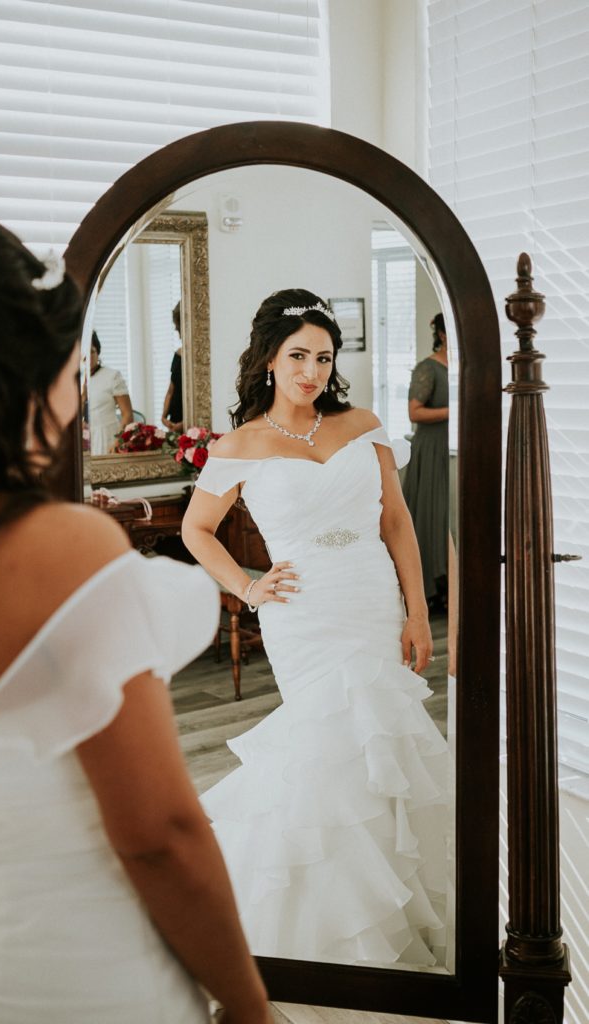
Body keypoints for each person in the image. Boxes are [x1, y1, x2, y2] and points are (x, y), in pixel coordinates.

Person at [0, 203, 270, 1024]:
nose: (74, 401)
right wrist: (249, 1008)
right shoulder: (60, 550)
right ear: (12, 383)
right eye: (68, 375)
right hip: (78, 972)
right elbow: (160, 836)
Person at [182, 288, 450, 968]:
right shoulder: (240, 444)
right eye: (297, 356)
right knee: (326, 746)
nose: (311, 372)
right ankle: (315, 920)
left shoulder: (362, 424)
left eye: (323, 358)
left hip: (370, 598)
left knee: (380, 740)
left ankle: (398, 898)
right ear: (269, 361)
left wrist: (418, 611)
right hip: (301, 613)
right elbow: (196, 529)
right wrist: (246, 586)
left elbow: (395, 521)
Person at [401, 313, 450, 611]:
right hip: (431, 449)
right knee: (432, 515)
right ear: (443, 335)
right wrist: (452, 410)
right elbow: (414, 413)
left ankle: (448, 580)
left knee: (450, 518)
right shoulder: (427, 368)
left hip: (454, 448)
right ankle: (429, 585)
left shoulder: (464, 366)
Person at [87, 331, 134, 454]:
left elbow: (127, 414)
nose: (88, 356)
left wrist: (118, 440)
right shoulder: (73, 380)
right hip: (83, 442)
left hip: (107, 438)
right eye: (84, 353)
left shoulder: (112, 376)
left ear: (98, 352)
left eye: (92, 351)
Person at [161, 301, 184, 431]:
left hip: (187, 420)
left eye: (177, 325)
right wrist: (164, 416)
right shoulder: (177, 355)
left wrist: (186, 422)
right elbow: (171, 389)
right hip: (174, 420)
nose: (176, 329)